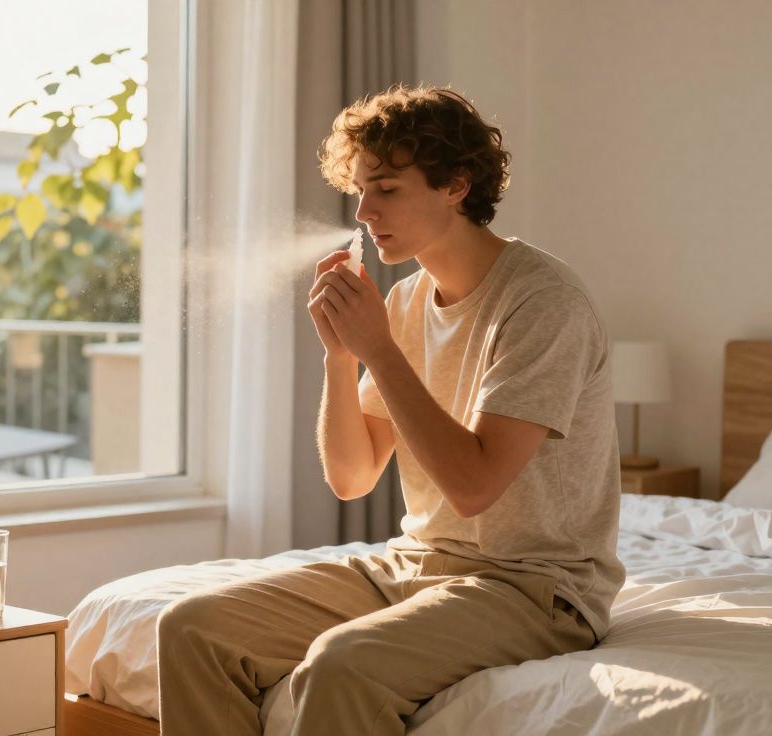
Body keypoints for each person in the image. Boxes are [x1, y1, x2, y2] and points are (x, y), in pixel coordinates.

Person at [157, 84, 624, 736]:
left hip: (534, 590)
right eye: (359, 191)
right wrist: (341, 358)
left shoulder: (543, 304)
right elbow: (351, 477)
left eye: (386, 189)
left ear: (455, 186)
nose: (363, 212)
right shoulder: (404, 303)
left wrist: (378, 348)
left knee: (340, 665)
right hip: (418, 565)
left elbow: (473, 488)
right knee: (191, 629)